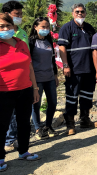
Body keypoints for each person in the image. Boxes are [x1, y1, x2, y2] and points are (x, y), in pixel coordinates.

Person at [0, 13, 41, 172]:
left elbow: (29, 67)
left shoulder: (21, 43)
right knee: (1, 126)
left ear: (13, 27)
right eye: (1, 26)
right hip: (3, 93)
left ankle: (23, 151)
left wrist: (35, 88)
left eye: (8, 26)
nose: (5, 29)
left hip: (25, 90)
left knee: (24, 123)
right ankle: (0, 157)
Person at [58, 3, 97, 135]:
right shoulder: (66, 28)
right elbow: (62, 48)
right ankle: (70, 124)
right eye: (77, 12)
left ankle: (85, 120)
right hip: (74, 69)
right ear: (72, 13)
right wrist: (65, 65)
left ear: (85, 13)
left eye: (82, 12)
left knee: (87, 96)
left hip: (89, 69)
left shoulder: (89, 28)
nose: (80, 14)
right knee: (72, 96)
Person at [2, 0, 29, 152]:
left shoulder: (22, 33)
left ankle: (21, 145)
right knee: (8, 116)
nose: (19, 16)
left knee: (22, 116)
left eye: (20, 14)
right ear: (7, 15)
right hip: (6, 85)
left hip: (24, 81)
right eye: (16, 14)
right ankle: (10, 140)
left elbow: (28, 57)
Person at [29, 17, 59, 140]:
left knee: (53, 102)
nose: (45, 29)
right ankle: (38, 128)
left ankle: (48, 125)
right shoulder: (31, 42)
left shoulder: (48, 41)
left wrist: (56, 75)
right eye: (42, 27)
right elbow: (29, 62)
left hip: (50, 77)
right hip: (37, 78)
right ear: (35, 27)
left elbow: (52, 59)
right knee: (36, 104)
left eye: (47, 27)